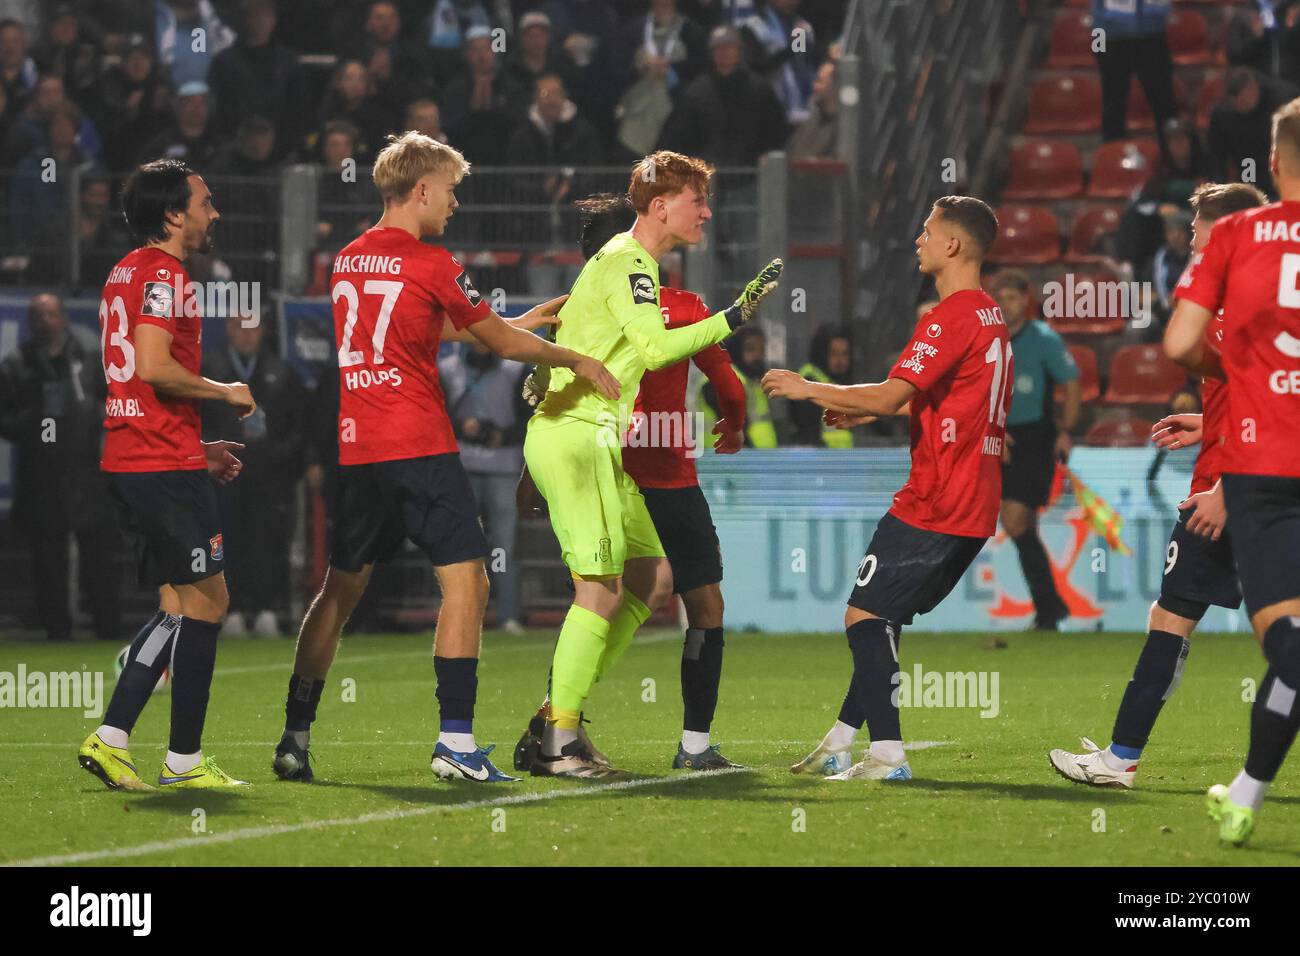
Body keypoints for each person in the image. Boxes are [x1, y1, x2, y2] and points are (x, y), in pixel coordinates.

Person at [271, 131, 622, 786]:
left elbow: (437, 323)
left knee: (339, 590)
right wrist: (574, 355)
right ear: (422, 190)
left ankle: (294, 736)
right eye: (452, 191)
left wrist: (523, 318)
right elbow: (492, 340)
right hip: (419, 446)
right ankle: (456, 742)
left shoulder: (348, 260)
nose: (455, 204)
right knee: (468, 583)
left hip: (359, 450)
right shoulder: (431, 262)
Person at [521, 150, 781, 778]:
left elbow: (580, 346)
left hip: (599, 440)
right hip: (580, 436)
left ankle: (559, 716)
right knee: (601, 590)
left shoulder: (620, 265)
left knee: (644, 581)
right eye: (698, 201)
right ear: (661, 207)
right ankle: (560, 739)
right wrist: (733, 317)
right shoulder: (629, 261)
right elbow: (655, 345)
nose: (708, 212)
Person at [763, 195, 1009, 781]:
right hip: (974, 498)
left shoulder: (949, 317)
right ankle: (842, 740)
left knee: (863, 618)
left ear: (953, 244)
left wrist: (809, 389)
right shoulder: (989, 317)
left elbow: (891, 393)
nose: (919, 241)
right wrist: (869, 413)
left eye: (927, 231)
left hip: (937, 498)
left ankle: (888, 755)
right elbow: (948, 401)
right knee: (884, 618)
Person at [1050, 181, 1266, 792]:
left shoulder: (1235, 308)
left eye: (1198, 227)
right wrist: (1211, 421)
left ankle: (1120, 759)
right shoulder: (1264, 301)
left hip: (1229, 493)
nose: (1189, 237)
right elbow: (1265, 397)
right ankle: (1121, 753)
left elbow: (1278, 408)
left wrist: (1227, 484)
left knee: (1173, 618)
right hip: (1248, 480)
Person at [78, 158, 256, 792]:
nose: (214, 215)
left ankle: (116, 739)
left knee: (180, 604)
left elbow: (135, 378)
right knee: (210, 601)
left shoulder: (122, 271)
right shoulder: (167, 275)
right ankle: (180, 760)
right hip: (158, 464)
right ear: (174, 214)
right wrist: (224, 391)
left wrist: (195, 445)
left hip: (136, 455)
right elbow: (152, 366)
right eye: (204, 203)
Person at [1164, 98, 1300, 846]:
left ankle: (1246, 793)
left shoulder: (1240, 234)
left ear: (1274, 165)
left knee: (1287, 641)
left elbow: (1184, 343)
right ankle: (1245, 794)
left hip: (1266, 466)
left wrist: (1251, 380)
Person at [0, 293, 120, 643]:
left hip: (87, 470)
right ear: (31, 323)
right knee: (48, 560)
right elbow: (4, 419)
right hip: (42, 474)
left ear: (64, 318)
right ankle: (57, 630)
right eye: (38, 316)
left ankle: (108, 628)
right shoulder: (16, 365)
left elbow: (115, 399)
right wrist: (35, 422)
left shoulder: (89, 354)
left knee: (100, 559)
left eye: (52, 314)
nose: (46, 321)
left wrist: (91, 417)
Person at [201, 311, 309, 638]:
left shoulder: (281, 371)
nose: (248, 335)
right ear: (229, 331)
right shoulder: (210, 371)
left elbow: (298, 425)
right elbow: (196, 420)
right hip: (224, 474)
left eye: (254, 328)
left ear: (263, 332)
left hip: (268, 476)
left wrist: (280, 457)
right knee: (225, 539)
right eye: (240, 328)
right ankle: (230, 609)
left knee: (267, 540)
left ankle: (266, 608)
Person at [988, 268, 1079, 630]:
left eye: (1012, 297)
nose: (1005, 304)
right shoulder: (987, 340)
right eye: (1000, 298)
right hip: (998, 436)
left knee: (1015, 519)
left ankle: (1049, 607)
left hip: (1034, 437)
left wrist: (1066, 430)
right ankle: (1050, 608)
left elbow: (1071, 384)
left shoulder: (1043, 338)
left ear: (1026, 301)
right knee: (1018, 523)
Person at [437, 337, 531, 634]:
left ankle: (509, 614)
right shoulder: (449, 369)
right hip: (462, 466)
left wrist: (501, 434)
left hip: (504, 465)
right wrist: (460, 428)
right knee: (461, 548)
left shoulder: (515, 370)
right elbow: (436, 415)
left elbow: (530, 416)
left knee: (504, 547)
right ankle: (461, 616)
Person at [1090, 0, 1176, 148]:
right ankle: (1112, 154)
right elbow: (1097, 14)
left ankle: (1172, 156)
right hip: (1109, 35)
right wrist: (1098, 46)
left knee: (1163, 100)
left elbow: (1162, 7)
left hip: (1150, 34)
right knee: (1112, 101)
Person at [792, 322, 853, 447]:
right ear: (822, 354)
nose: (840, 360)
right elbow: (808, 431)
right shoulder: (809, 381)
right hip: (821, 460)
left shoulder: (842, 381)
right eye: (834, 353)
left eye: (845, 353)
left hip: (844, 459)